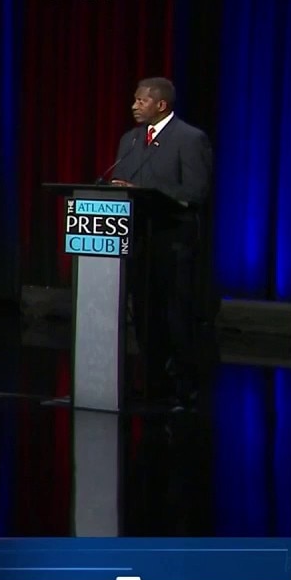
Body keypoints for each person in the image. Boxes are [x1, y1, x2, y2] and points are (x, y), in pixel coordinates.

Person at [109, 77, 212, 404]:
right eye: (135, 100)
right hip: (139, 239)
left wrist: (146, 192)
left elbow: (195, 191)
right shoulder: (130, 139)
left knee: (176, 313)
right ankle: (152, 380)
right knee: (143, 312)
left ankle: (185, 387)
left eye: (141, 101)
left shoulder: (190, 138)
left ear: (161, 104)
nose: (134, 106)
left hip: (174, 240)